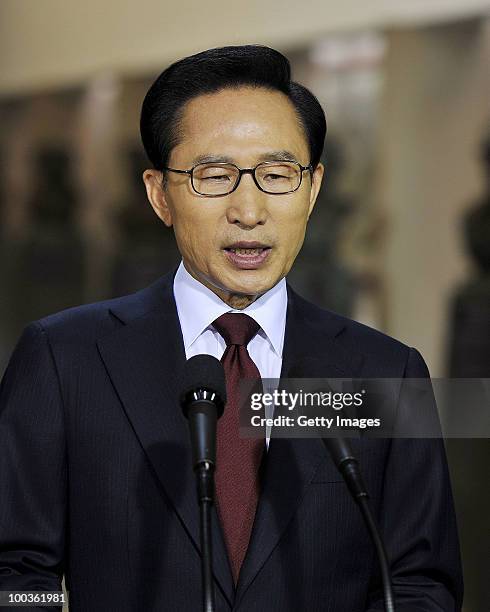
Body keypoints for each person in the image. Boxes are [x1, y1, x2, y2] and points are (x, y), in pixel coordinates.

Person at [0, 45, 463, 611]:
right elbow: (16, 571)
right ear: (158, 194)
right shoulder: (63, 358)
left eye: (276, 174)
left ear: (313, 188)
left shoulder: (387, 371)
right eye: (213, 176)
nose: (249, 209)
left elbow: (422, 581)